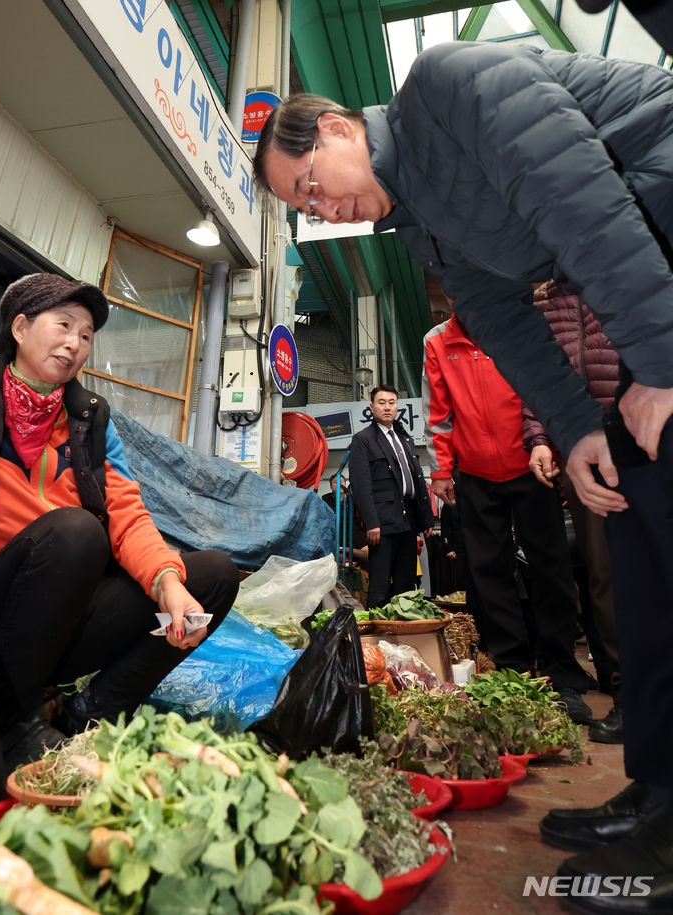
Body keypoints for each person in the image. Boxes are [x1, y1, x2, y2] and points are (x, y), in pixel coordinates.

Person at [252, 45, 673, 912]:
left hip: (655, 242)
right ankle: (662, 787)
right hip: (650, 277)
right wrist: (576, 427)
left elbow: (586, 207)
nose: (322, 209)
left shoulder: (446, 92)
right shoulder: (422, 221)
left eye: (310, 186)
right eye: (306, 208)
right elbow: (500, 319)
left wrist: (663, 361)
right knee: (642, 539)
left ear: (335, 128)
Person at [0, 273, 239, 772]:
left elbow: (127, 512)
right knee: (77, 531)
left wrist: (168, 582)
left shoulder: (89, 420)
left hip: (56, 617)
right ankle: (10, 721)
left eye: (86, 335)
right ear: (20, 328)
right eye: (63, 325)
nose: (75, 343)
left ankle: (88, 714)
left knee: (213, 577)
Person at [423, 315, 593, 723]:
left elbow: (543, 389)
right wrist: (441, 469)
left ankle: (561, 672)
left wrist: (550, 446)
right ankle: (513, 670)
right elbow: (439, 412)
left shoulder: (519, 325)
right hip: (475, 473)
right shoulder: (438, 341)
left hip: (531, 464)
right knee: (489, 574)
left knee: (551, 569)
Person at [522, 280, 621, 743]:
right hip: (583, 450)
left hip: (645, 434)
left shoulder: (624, 274)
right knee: (605, 575)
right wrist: (540, 439)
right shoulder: (543, 302)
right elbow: (537, 377)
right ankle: (629, 694)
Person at [348, 385, 434, 609]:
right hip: (382, 523)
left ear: (397, 406)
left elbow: (417, 479)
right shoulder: (363, 440)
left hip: (408, 520)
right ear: (372, 407)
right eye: (381, 402)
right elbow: (361, 486)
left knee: (406, 584)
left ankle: (401, 626)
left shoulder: (404, 437)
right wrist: (371, 523)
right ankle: (378, 627)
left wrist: (426, 519)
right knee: (380, 584)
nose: (387, 407)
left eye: (391, 402)